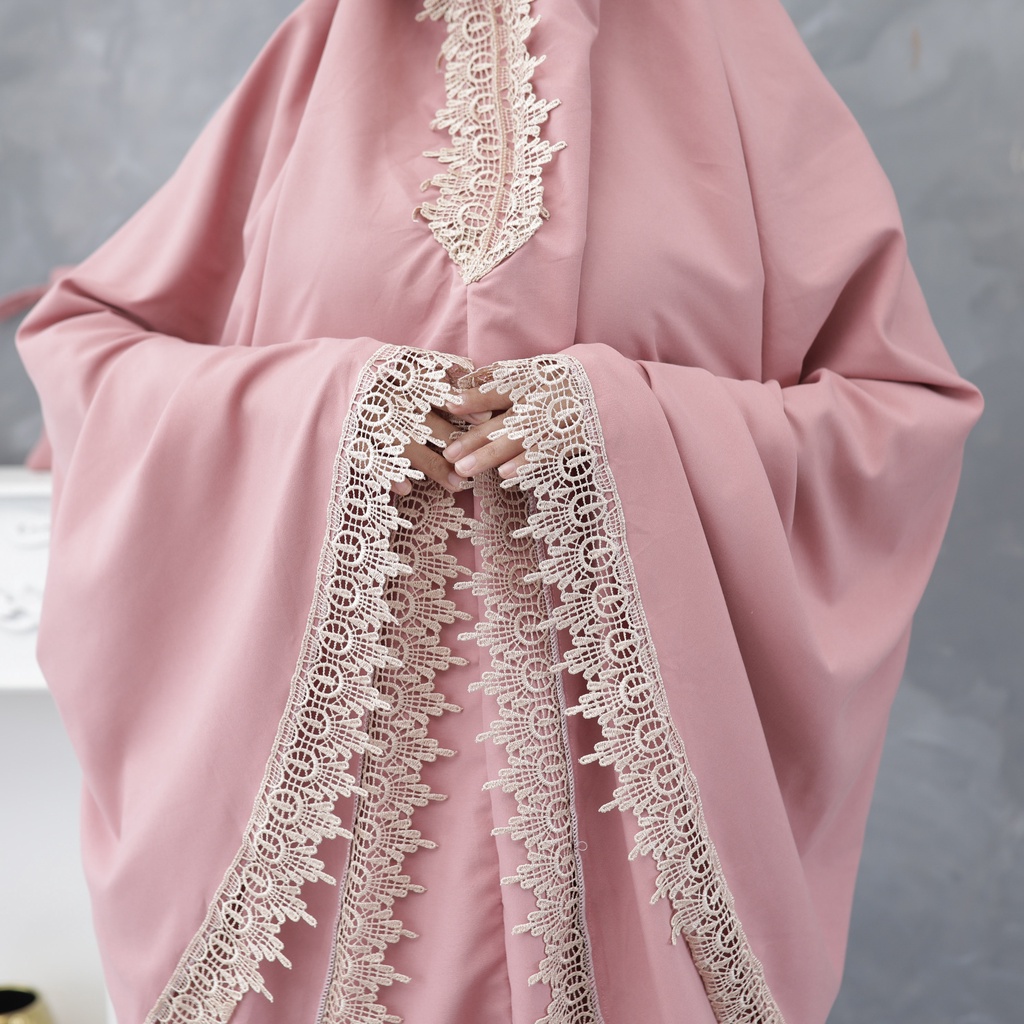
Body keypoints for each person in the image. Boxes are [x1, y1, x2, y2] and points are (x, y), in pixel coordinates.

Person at [16, 1, 982, 1022]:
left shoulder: (734, 54)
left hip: (628, 853)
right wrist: (341, 416)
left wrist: (615, 429)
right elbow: (90, 352)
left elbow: (898, 419)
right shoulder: (327, 53)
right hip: (337, 851)